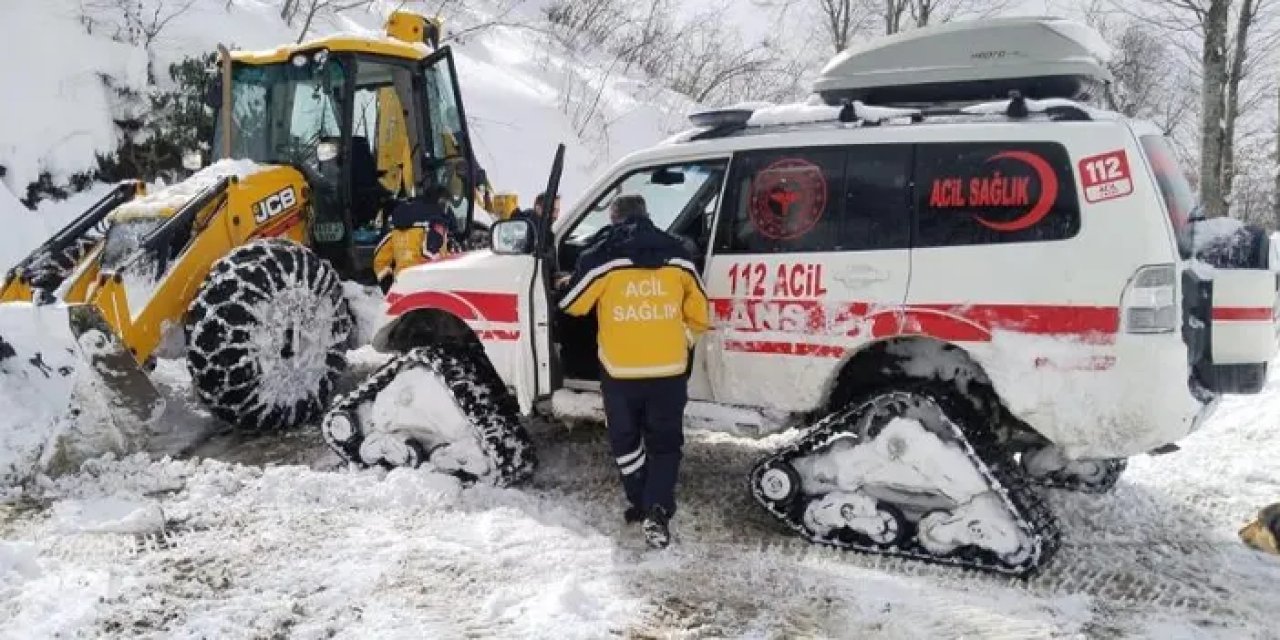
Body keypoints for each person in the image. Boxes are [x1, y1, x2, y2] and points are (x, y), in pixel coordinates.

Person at [558, 194, 710, 549]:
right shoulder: (680, 253)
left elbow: (572, 305)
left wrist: (568, 281)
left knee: (625, 440)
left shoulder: (601, 256)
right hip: (669, 369)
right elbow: (701, 314)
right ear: (647, 214)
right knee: (665, 443)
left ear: (614, 218)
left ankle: (640, 501)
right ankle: (658, 509)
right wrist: (684, 340)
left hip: (621, 371)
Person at [372, 185, 460, 293]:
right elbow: (434, 256)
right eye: (447, 205)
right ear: (441, 202)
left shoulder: (396, 227)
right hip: (427, 290)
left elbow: (380, 261)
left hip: (402, 288)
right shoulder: (436, 226)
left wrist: (388, 287)